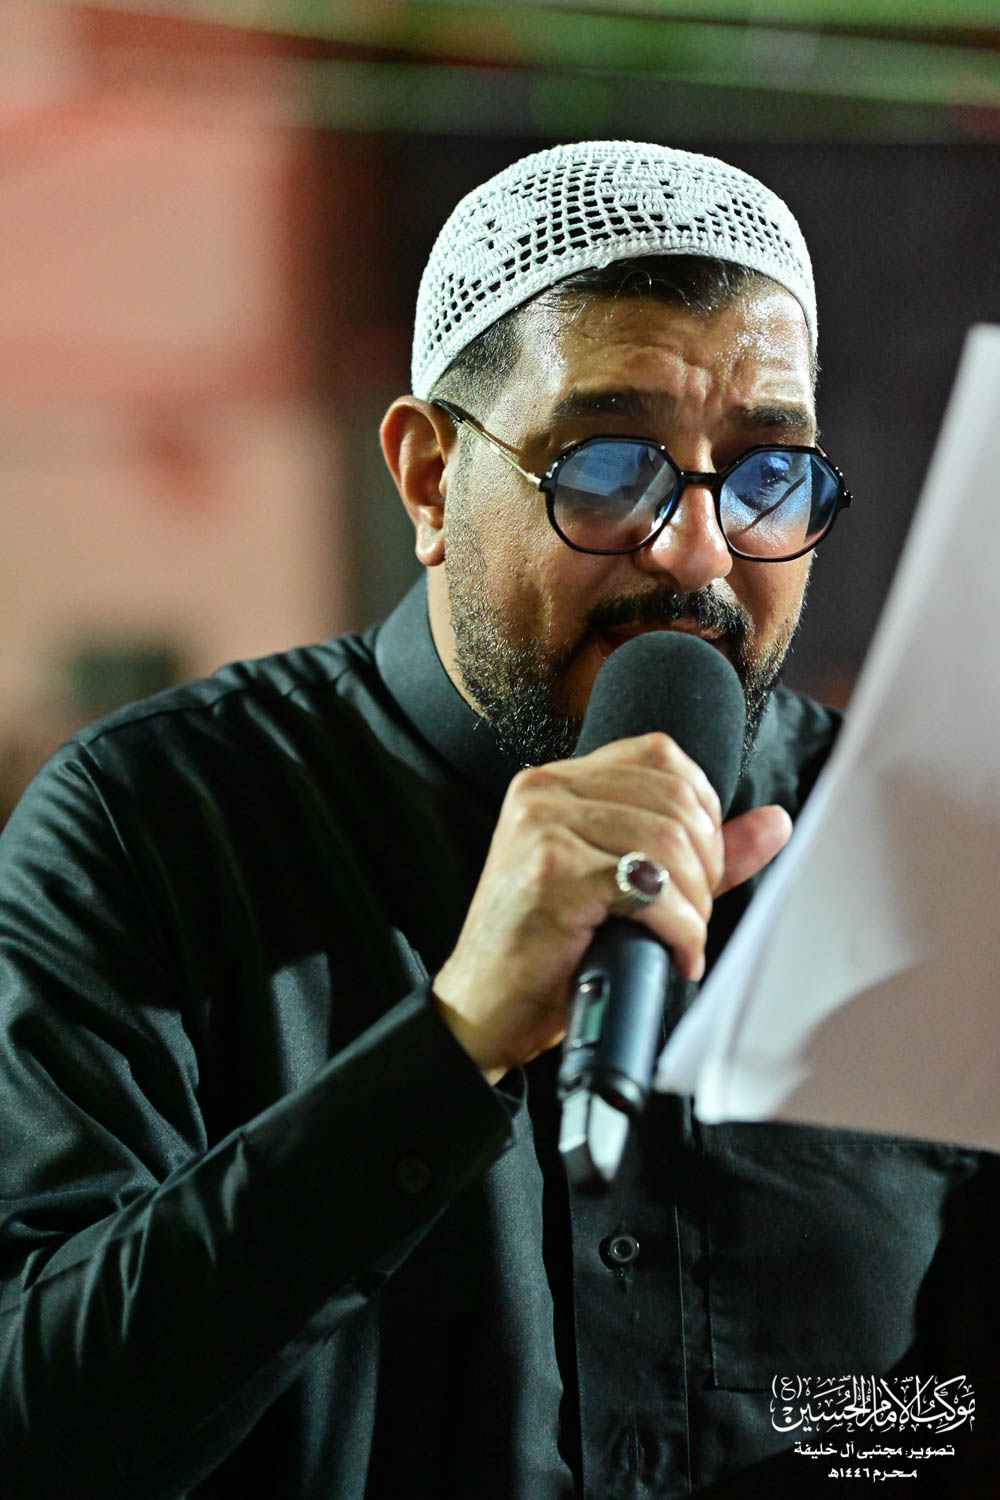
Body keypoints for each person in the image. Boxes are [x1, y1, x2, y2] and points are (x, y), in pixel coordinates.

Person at [0, 140, 993, 1499]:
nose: (696, 550)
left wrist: (846, 1436)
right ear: (427, 478)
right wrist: (453, 1040)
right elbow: (35, 1431)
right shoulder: (156, 827)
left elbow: (931, 1414)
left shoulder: (919, 855)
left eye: (769, 473)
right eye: (606, 468)